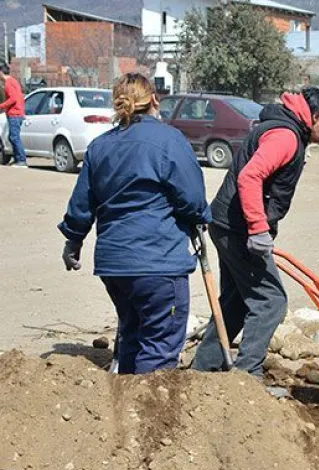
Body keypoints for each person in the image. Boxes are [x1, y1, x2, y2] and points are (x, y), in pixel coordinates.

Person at [57, 73, 211, 374]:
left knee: (131, 335)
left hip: (114, 266)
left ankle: (123, 409)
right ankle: (147, 417)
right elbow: (192, 199)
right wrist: (200, 217)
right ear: (154, 99)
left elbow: (81, 205)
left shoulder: (100, 146)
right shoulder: (169, 140)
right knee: (159, 346)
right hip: (157, 264)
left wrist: (72, 241)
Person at [192, 88, 319, 377]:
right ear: (316, 117)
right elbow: (251, 176)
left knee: (236, 301)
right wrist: (258, 229)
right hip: (238, 229)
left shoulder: (286, 131)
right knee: (271, 301)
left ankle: (204, 368)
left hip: (228, 224)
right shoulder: (285, 137)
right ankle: (247, 375)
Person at [0, 63, 27, 168]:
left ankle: (21, 160)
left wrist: (2, 106)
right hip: (16, 113)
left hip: (15, 114)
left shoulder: (8, 83)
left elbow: (13, 98)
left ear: (1, 72)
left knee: (14, 137)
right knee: (12, 137)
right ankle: (17, 159)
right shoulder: (13, 81)